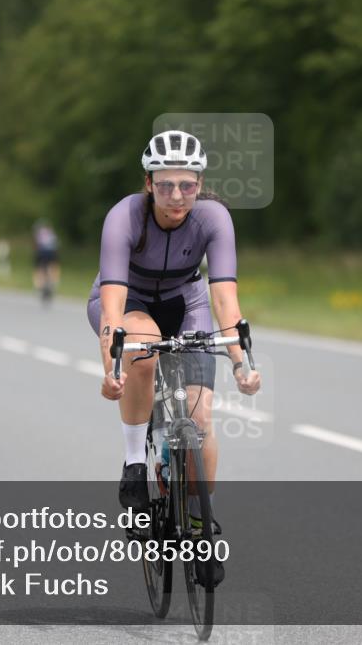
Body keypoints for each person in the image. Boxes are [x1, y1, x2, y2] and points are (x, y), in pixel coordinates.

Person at [86, 130, 262, 583]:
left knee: (201, 419)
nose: (176, 196)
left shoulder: (214, 219)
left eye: (187, 185)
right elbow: (112, 310)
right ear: (148, 183)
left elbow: (225, 300)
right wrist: (111, 368)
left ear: (200, 183)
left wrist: (241, 364)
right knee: (141, 350)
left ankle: (202, 527)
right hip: (131, 302)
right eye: (165, 185)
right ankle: (133, 464)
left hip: (189, 302)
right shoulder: (123, 217)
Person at [32, 219, 60, 304]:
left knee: (39, 268)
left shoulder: (38, 232)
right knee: (53, 266)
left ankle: (40, 286)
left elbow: (36, 245)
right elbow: (57, 245)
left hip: (41, 252)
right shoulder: (51, 233)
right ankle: (53, 282)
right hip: (52, 252)